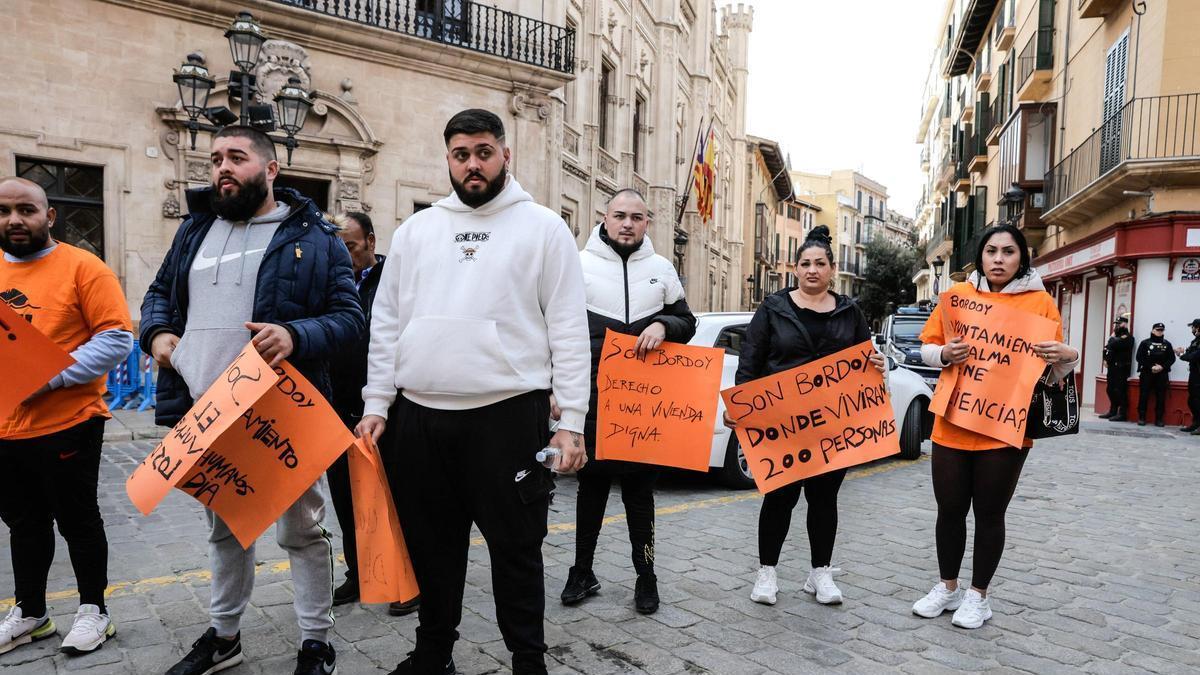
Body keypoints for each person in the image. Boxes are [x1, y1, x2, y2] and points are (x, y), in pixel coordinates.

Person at [356, 109, 590, 675]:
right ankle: (434, 653)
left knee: (516, 550)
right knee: (434, 549)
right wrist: (376, 403)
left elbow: (567, 326)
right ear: (449, 161)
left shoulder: (543, 228)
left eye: (483, 152)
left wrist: (573, 419)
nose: (473, 164)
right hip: (420, 418)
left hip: (507, 416)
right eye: (461, 155)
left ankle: (527, 660)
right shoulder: (416, 231)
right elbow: (386, 322)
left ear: (505, 155)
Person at [139, 126, 364, 675]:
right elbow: (158, 296)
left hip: (279, 414)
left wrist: (295, 336)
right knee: (225, 530)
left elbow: (350, 319)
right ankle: (224, 637)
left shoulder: (316, 236)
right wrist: (157, 334)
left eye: (236, 157)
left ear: (270, 170)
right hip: (206, 412)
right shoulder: (194, 229)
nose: (222, 167)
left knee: (301, 531)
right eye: (216, 158)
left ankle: (315, 641)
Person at [913, 223, 1078, 629]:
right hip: (952, 421)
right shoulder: (956, 298)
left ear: (1022, 258)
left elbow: (1051, 376)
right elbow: (926, 347)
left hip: (1006, 427)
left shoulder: (1041, 305)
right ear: (980, 257)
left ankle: (978, 596)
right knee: (949, 510)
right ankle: (947, 587)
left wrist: (1067, 356)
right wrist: (942, 354)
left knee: (990, 512)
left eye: (1008, 252)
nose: (999, 259)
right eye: (991, 251)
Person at [0, 177, 134, 656]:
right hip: (5, 428)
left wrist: (49, 377)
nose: (14, 219)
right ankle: (31, 612)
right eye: (4, 210)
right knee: (23, 522)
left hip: (68, 420)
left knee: (77, 520)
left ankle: (95, 611)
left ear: (49, 216)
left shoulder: (84, 268)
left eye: (26, 210)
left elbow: (117, 338)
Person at [724, 225, 885, 607]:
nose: (812, 270)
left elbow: (864, 361)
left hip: (832, 425)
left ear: (831, 269)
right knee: (779, 497)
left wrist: (877, 363)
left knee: (824, 499)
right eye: (805, 263)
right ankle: (767, 572)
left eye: (820, 263)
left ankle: (820, 573)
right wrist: (739, 405)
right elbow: (751, 359)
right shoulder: (773, 309)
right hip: (781, 423)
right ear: (795, 269)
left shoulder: (850, 311)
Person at [560, 189, 696, 615]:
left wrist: (663, 324)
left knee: (640, 495)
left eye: (636, 217)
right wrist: (555, 391)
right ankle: (582, 571)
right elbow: (556, 330)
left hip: (645, 407)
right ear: (605, 216)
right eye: (619, 215)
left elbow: (688, 322)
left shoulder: (662, 269)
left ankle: (646, 576)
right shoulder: (577, 265)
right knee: (591, 490)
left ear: (647, 223)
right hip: (594, 401)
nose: (627, 224)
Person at [324, 211, 419, 617]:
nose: (344, 254)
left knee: (395, 496)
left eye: (350, 246)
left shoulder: (390, 281)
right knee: (346, 498)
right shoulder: (330, 282)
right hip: (336, 404)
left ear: (371, 242)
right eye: (338, 247)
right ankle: (360, 571)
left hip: (384, 406)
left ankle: (406, 580)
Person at [1135, 322, 1175, 427]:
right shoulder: (1145, 343)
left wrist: (1162, 367)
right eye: (1158, 330)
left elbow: (1171, 359)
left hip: (1161, 374)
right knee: (1144, 395)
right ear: (1153, 330)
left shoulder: (1167, 344)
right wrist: (1151, 366)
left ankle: (1159, 419)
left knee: (1161, 396)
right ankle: (1142, 417)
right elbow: (1139, 357)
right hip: (1147, 373)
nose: (1160, 332)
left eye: (1162, 330)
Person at [1100, 316, 1133, 421]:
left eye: (1119, 324)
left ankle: (1122, 413)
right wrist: (1105, 359)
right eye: (1116, 324)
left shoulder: (1128, 337)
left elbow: (1114, 345)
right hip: (1112, 367)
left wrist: (1112, 339)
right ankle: (1112, 410)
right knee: (1110, 389)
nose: (1116, 326)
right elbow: (1106, 349)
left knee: (1120, 390)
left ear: (1124, 324)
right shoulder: (1114, 337)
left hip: (1121, 368)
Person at [1176, 318, 1200, 434]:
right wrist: (1183, 352)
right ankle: (1196, 423)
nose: (1192, 329)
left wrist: (1182, 355)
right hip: (1194, 373)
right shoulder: (1196, 341)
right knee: (1192, 400)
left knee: (1197, 400)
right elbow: (1189, 352)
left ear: (1198, 328)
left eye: (1193, 327)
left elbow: (1194, 356)